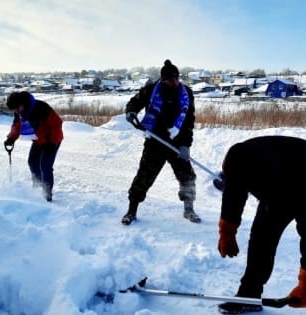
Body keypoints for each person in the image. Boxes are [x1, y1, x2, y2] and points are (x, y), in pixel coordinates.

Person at [216, 135, 306, 314]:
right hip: (279, 189)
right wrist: (227, 232)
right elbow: (233, 198)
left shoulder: (245, 165)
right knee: (261, 240)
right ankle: (249, 296)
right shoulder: (240, 160)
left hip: (301, 184)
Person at [122, 59, 201, 225]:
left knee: (187, 177)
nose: (174, 82)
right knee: (144, 176)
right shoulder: (152, 90)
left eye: (176, 78)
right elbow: (134, 102)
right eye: (169, 80)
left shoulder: (186, 93)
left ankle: (189, 209)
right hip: (155, 141)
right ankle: (131, 210)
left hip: (176, 142)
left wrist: (186, 145)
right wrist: (130, 111)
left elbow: (188, 121)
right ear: (162, 79)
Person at [4, 91, 63, 202]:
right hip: (38, 141)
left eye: (17, 108)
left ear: (22, 103)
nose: (16, 111)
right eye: (14, 110)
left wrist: (52, 141)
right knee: (32, 162)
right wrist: (11, 138)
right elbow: (17, 126)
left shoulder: (41, 108)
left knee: (45, 165)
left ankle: (47, 195)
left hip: (52, 140)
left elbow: (57, 123)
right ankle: (37, 188)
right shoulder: (20, 112)